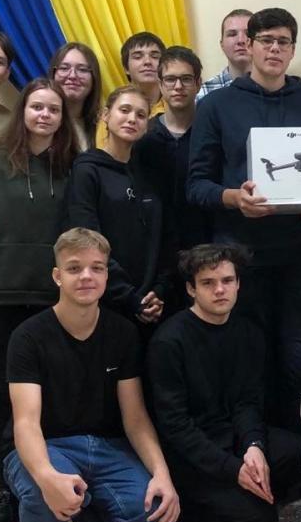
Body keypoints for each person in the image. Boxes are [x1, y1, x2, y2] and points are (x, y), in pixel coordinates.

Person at [5, 228, 181, 522]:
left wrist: (162, 474)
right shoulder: (28, 336)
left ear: (106, 275)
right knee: (47, 488)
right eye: (75, 268)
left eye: (96, 268)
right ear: (57, 276)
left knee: (154, 514)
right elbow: (26, 422)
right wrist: (46, 475)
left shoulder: (123, 333)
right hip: (47, 445)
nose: (86, 276)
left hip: (105, 447)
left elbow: (135, 418)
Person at [188, 7, 301, 429]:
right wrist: (234, 198)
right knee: (249, 357)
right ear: (248, 45)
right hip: (240, 256)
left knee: (299, 356)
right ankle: (253, 447)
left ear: (293, 50)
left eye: (283, 42)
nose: (274, 49)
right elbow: (196, 185)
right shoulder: (215, 106)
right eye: (266, 40)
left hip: (299, 254)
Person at [0, 77, 77, 522]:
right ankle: (9, 489)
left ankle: (51, 481)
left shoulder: (73, 167)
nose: (44, 115)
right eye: (36, 107)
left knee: (54, 394)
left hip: (57, 301)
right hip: (5, 299)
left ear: (62, 118)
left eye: (53, 109)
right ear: (23, 112)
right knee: (5, 395)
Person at [148, 244, 301, 522]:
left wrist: (254, 446)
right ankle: (185, 516)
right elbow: (175, 427)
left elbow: (248, 401)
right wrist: (233, 470)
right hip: (188, 456)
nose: (220, 290)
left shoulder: (248, 331)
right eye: (208, 283)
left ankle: (238, 499)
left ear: (238, 284)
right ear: (191, 289)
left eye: (227, 280)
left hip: (231, 438)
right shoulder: (169, 341)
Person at [63, 85, 171, 328]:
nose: (132, 119)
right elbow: (87, 240)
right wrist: (130, 298)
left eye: (141, 115)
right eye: (124, 110)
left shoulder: (151, 175)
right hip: (106, 302)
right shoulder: (86, 170)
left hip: (151, 302)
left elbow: (164, 239)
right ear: (105, 115)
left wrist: (159, 290)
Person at [135, 47, 210, 298]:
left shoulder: (211, 134)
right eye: (170, 79)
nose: (178, 86)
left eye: (186, 79)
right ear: (160, 84)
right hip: (156, 253)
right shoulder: (143, 137)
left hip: (206, 247)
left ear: (198, 83)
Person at [48, 40, 102, 153]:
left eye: (82, 69)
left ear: (94, 78)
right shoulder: (40, 119)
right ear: (53, 74)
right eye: (64, 68)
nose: (72, 76)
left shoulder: (103, 126)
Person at [198, 9, 252, 98]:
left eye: (248, 34)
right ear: (222, 44)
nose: (241, 40)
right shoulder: (204, 93)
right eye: (232, 34)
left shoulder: (273, 88)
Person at [121, 32, 166, 116]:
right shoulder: (114, 110)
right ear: (126, 68)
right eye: (138, 57)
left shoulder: (179, 106)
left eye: (155, 56)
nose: (147, 61)